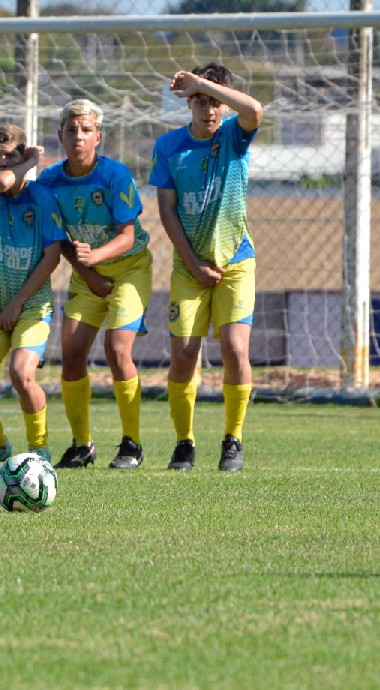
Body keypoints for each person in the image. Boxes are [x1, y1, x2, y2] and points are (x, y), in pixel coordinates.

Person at [148, 63, 264, 472]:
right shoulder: (168, 147)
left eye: (216, 100)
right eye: (200, 100)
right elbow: (166, 210)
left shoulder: (235, 136)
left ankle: (233, 439)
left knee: (234, 349)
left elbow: (255, 110)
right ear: (189, 104)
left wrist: (203, 83)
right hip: (189, 267)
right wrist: (193, 263)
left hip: (236, 261)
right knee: (183, 357)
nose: (209, 109)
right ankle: (184, 443)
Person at [37, 99, 154, 470]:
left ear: (98, 137)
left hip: (130, 269)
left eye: (86, 130)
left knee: (117, 350)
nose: (78, 137)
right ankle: (81, 444)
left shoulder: (115, 175)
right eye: (71, 130)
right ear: (60, 136)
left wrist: (96, 259)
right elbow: (59, 241)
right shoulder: (49, 181)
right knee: (70, 353)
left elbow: (127, 235)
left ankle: (132, 443)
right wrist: (88, 273)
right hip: (88, 277)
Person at [0, 123, 66, 469]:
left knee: (22, 374)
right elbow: (3, 182)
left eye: (11, 155)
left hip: (32, 306)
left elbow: (52, 256)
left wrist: (18, 302)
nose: (3, 162)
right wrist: (28, 162)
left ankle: (39, 449)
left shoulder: (42, 198)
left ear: (21, 154)